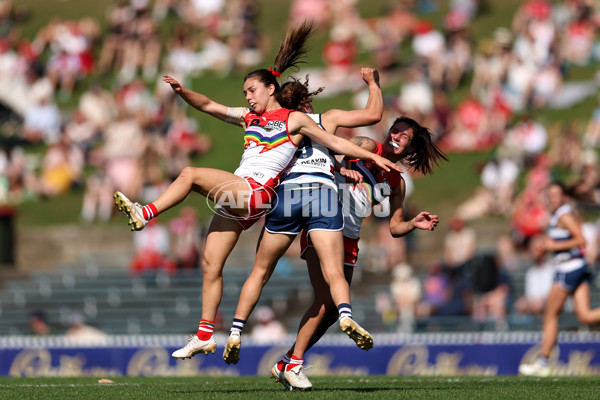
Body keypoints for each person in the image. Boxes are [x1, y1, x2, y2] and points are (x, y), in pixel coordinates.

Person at [113, 21, 400, 359]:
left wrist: (370, 157)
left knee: (190, 173)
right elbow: (208, 106)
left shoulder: (294, 119)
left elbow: (335, 141)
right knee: (210, 264)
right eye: (245, 93)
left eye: (251, 90)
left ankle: (144, 213)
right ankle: (205, 333)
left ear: (270, 89)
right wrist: (182, 93)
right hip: (239, 194)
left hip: (256, 192)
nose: (247, 97)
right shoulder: (249, 118)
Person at [231, 116, 446, 390]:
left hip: (350, 239)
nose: (396, 136)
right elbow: (328, 148)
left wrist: (413, 224)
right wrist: (342, 169)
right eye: (395, 130)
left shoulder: (397, 182)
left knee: (331, 311)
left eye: (403, 136)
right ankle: (293, 363)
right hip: (324, 224)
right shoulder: (368, 145)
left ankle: (287, 362)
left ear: (411, 147)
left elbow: (394, 227)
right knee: (325, 301)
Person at [221, 68, 384, 383]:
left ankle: (236, 329)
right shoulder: (326, 119)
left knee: (260, 270)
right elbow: (373, 115)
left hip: (287, 197)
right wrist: (372, 83)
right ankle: (344, 317)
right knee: (333, 281)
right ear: (308, 100)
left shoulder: (277, 123)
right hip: (322, 198)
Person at [519, 182, 600, 376]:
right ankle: (543, 362)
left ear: (564, 196)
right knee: (585, 316)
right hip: (577, 268)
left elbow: (581, 240)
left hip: (568, 269)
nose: (552, 198)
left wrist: (551, 246)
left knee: (550, 314)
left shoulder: (564, 215)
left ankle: (543, 362)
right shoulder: (559, 215)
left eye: (556, 194)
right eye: (550, 195)